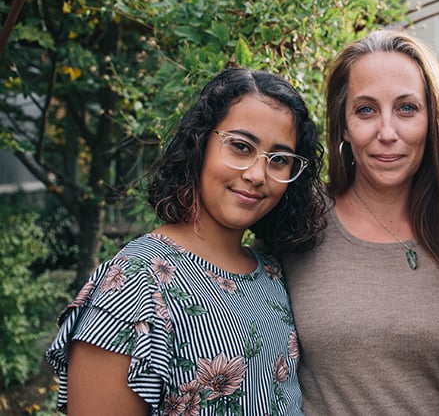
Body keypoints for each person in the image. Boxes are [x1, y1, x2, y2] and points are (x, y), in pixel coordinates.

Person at [45, 68, 326, 415]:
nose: (256, 174)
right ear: (200, 143)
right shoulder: (132, 283)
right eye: (240, 147)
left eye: (279, 160)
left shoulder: (271, 273)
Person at [279, 28, 439, 415]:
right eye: (366, 110)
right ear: (345, 126)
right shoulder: (298, 220)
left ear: (432, 120)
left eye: (407, 109)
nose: (387, 133)